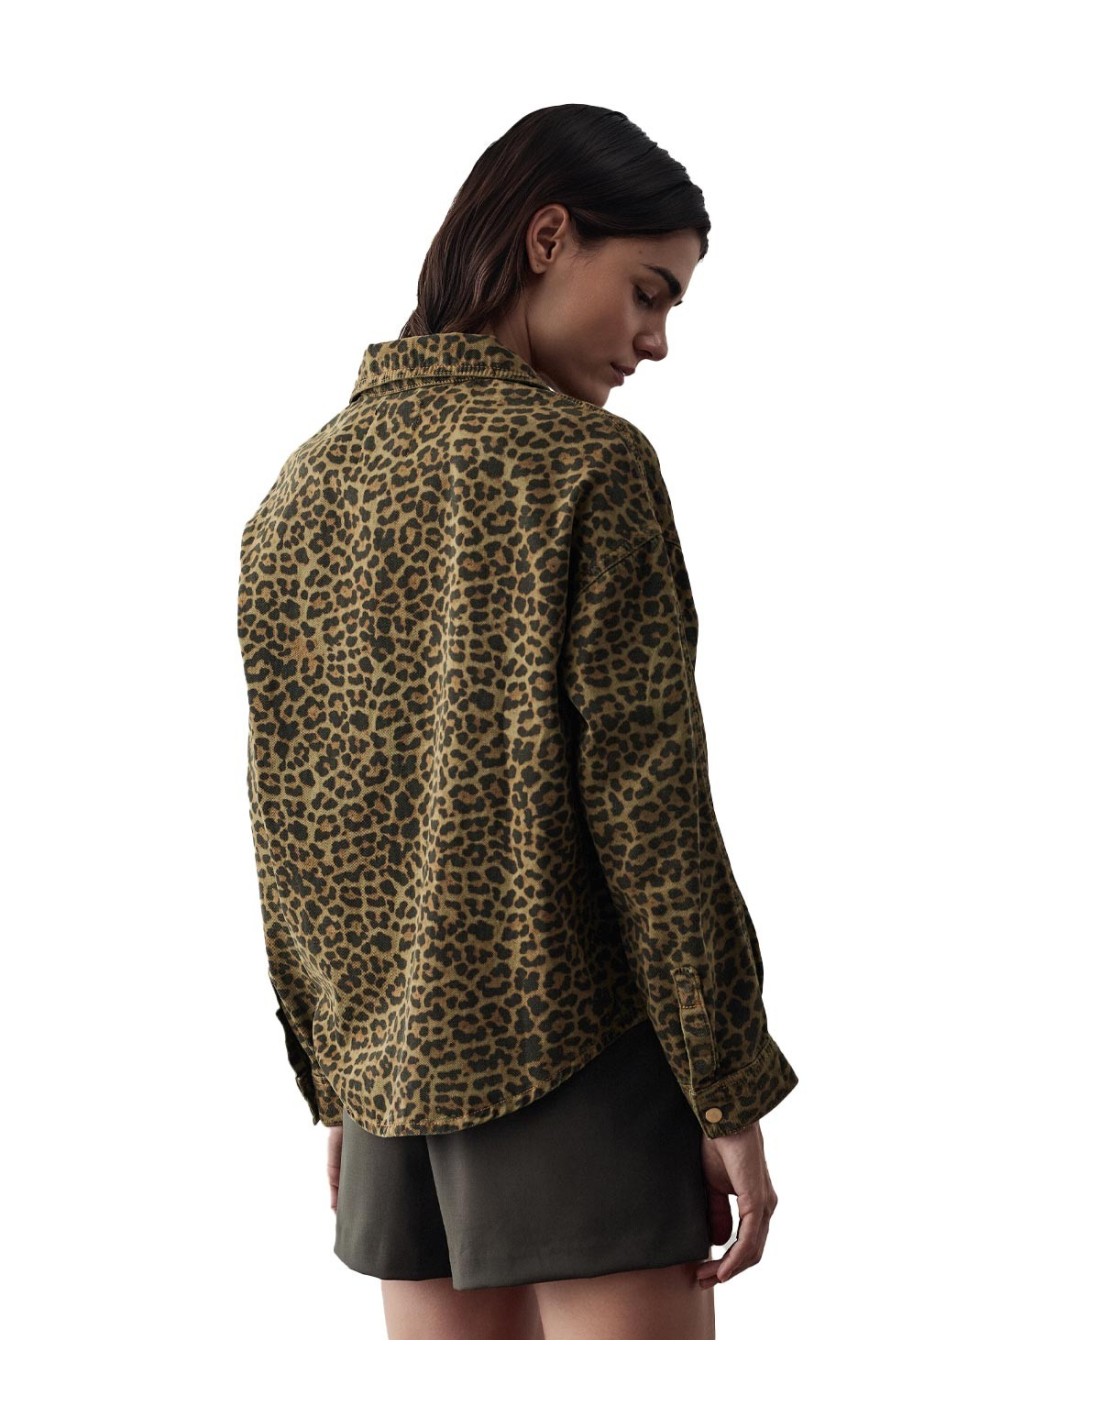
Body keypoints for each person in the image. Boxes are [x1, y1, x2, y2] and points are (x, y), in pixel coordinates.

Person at [237, 103, 798, 1341]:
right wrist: (724, 1085)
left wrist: (338, 1078)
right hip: (577, 1053)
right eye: (647, 293)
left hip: (388, 1092)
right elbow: (650, 813)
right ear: (548, 238)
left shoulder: (300, 489)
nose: (655, 343)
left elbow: (288, 825)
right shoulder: (584, 466)